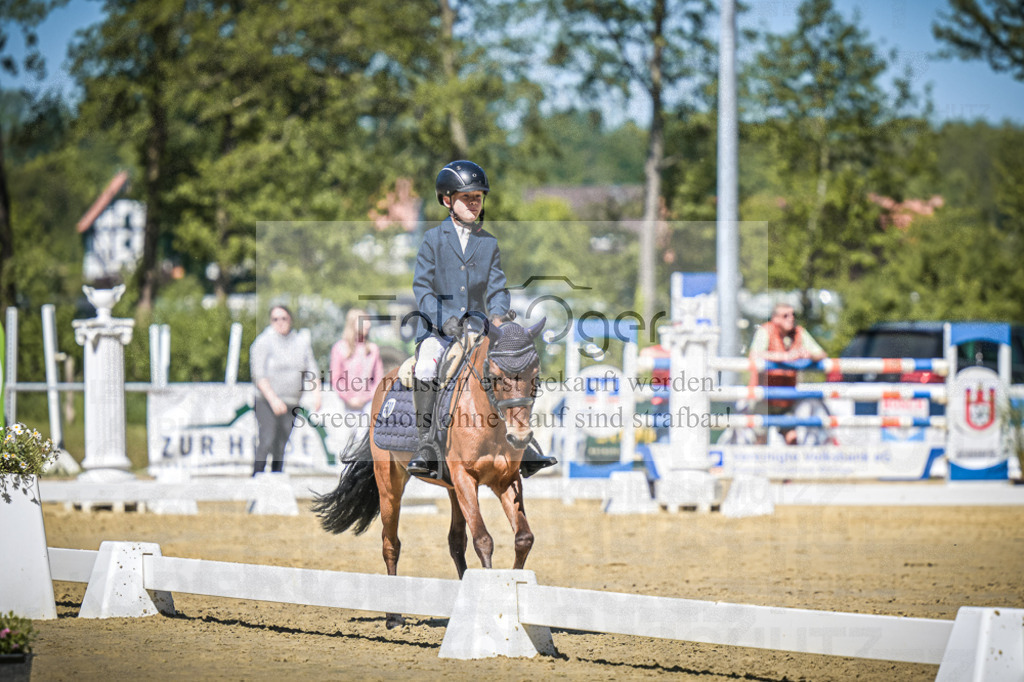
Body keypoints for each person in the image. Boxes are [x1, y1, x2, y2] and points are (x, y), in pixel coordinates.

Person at [405, 160, 556, 479]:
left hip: (479, 329)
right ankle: (427, 444)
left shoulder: (488, 243)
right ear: (447, 200)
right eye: (466, 197)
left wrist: (498, 317)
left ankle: (522, 443)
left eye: (478, 197)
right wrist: (446, 321)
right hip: (439, 331)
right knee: (426, 366)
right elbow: (422, 288)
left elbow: (497, 288)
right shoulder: (433, 240)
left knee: (510, 366)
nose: (474, 203)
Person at [250, 305, 321, 475]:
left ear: (290, 320)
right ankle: (255, 480)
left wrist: (317, 395)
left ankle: (276, 484)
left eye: (284, 318)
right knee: (267, 439)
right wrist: (273, 399)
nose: (280, 322)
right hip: (266, 401)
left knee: (281, 446)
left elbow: (312, 370)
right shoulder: (263, 342)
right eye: (275, 319)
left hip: (291, 402)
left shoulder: (300, 342)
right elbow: (258, 375)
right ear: (270, 321)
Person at [747, 303, 827, 445]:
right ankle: (758, 467)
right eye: (785, 315)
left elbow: (821, 354)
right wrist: (786, 357)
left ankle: (792, 467)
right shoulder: (766, 330)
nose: (791, 318)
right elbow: (754, 355)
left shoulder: (798, 332)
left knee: (792, 438)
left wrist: (808, 355)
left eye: (793, 315)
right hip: (763, 397)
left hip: (786, 399)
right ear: (775, 318)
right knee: (760, 440)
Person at [329, 308, 383, 446]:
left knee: (363, 442)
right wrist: (349, 398)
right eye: (363, 322)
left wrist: (366, 398)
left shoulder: (372, 349)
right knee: (344, 443)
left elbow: (378, 379)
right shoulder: (340, 348)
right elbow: (336, 379)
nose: (368, 325)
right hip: (345, 405)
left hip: (367, 404)